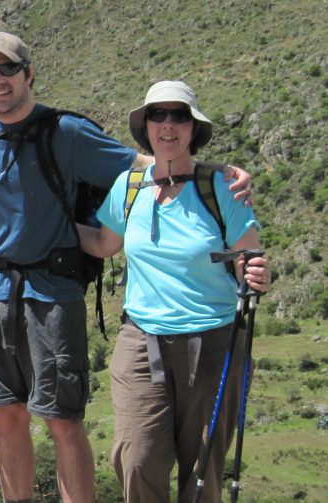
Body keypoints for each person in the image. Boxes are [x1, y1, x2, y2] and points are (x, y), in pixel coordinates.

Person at [0, 32, 252, 503]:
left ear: (29, 74)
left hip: (53, 294)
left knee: (63, 421)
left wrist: (212, 173)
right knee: (8, 419)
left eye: (8, 69)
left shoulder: (66, 133)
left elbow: (141, 165)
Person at [76, 80, 271, 503]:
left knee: (203, 470)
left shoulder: (222, 188)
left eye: (179, 115)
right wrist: (46, 223)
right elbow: (103, 244)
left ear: (193, 127)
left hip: (216, 340)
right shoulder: (130, 186)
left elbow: (248, 259)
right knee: (137, 459)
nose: (168, 124)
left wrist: (257, 274)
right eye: (157, 115)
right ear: (145, 126)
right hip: (141, 342)